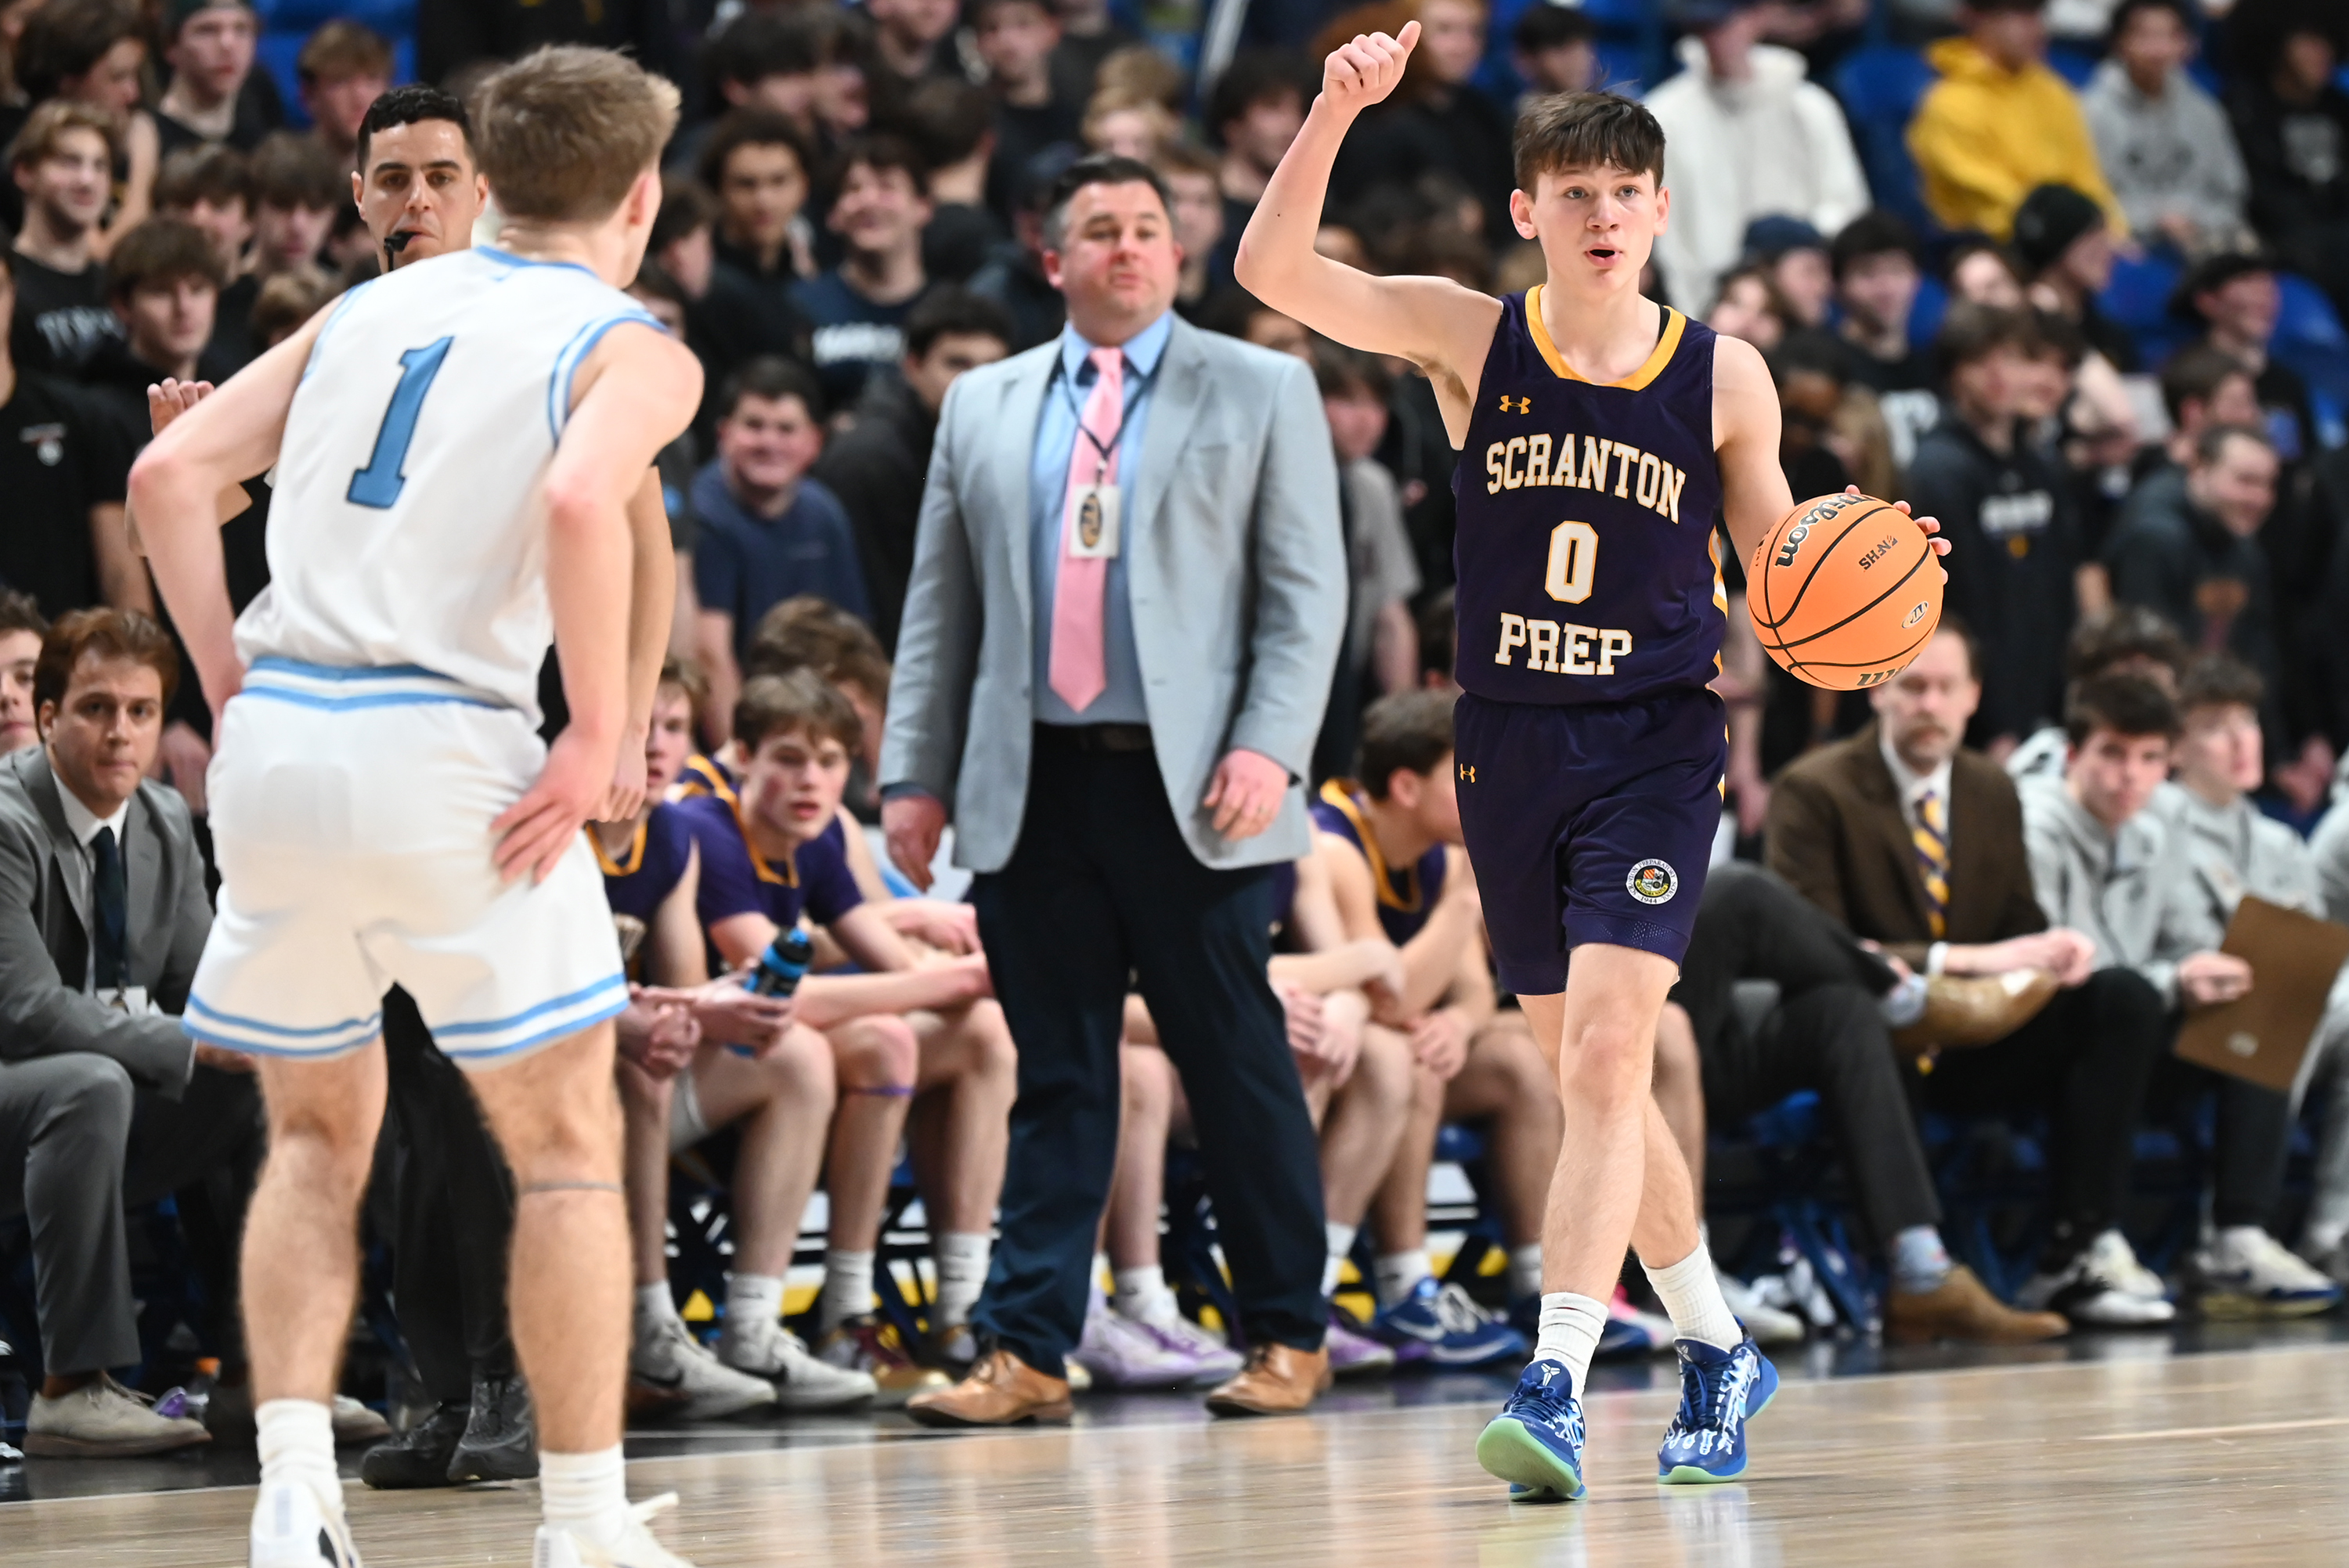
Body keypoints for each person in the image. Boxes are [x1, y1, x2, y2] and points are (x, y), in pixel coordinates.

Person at [1237, 34, 1943, 1497]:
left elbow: (1788, 587)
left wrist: (1875, 584)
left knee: (1616, 1054)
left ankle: (1553, 1377)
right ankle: (1718, 1344)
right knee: (1590, 1084)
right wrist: (1334, 112)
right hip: (1505, 737)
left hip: (1657, 740)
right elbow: (1273, 272)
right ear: (1527, 213)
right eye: (1574, 192)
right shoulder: (1465, 335)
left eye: (1628, 190)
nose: (1604, 214)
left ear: (1663, 211)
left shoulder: (1726, 375)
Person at [131, 44, 706, 1568]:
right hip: (447, 744)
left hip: (283, 738)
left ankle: (292, 1488)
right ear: (638, 194)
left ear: (491, 183)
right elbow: (592, 502)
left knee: (314, 1140)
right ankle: (583, 1520)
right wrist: (596, 730)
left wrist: (226, 685)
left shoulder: (360, 309)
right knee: (572, 1145)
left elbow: (172, 474)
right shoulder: (625, 336)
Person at [882, 151, 1346, 1426]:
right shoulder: (982, 402)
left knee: (1235, 1059)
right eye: (1101, 231)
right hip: (1031, 780)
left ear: (1176, 251)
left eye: (1149, 226)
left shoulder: (1261, 386)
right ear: (1054, 260)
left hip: (1202, 788)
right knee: (1061, 1071)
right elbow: (941, 608)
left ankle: (1290, 1332)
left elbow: (1307, 601)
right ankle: (1026, 1349)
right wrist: (912, 775)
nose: (1128, 248)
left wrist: (1270, 743)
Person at [1769, 625, 2174, 1328]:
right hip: (1870, 1039)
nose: (1930, 703)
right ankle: (1909, 1268)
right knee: (1856, 1013)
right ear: (1876, 690)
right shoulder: (1813, 787)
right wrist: (1960, 959)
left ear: (1973, 696)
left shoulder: (1991, 787)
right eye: (1912, 685)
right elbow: (1809, 943)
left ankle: (2076, 1248)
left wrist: (2056, 949)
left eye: (1945, 687)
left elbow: (2021, 922)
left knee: (2121, 997)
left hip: (1978, 1039)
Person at [684, 670, 1009, 1401]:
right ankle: (824, 1314)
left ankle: (963, 1303)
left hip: (780, 1070)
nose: (812, 780)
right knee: (885, 1035)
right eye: (790, 759)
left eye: (831, 762)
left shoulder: (821, 834)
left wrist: (969, 972)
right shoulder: (708, 828)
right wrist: (953, 977)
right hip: (695, 1068)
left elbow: (892, 958)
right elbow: (776, 992)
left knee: (984, 1031)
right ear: (742, 756)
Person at [0, 607, 272, 1458]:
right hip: (24, 1097)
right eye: (96, 708)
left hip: (97, 1111)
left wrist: (255, 1030)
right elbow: (26, 1008)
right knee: (93, 1079)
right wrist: (188, 1044)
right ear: (49, 717)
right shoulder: (7, 822)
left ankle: (256, 1373)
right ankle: (72, 1386)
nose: (122, 732)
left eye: (142, 711)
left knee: (260, 1076)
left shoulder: (162, 823)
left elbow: (203, 987)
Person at [2020, 670, 2338, 1317]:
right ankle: (2079, 1247)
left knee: (2255, 995)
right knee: (2128, 999)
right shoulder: (2037, 825)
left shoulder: (2152, 833)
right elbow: (2059, 964)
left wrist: (2192, 971)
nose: (2129, 776)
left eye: (2146, 759)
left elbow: (2171, 943)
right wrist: (2174, 977)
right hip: (2041, 1039)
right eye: (2112, 754)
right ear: (2075, 754)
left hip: (2132, 1033)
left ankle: (2240, 1234)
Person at [595, 661, 861, 1418]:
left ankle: (752, 1325)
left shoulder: (672, 832)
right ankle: (649, 1327)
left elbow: (684, 990)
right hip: (540, 1068)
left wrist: (702, 1013)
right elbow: (543, 988)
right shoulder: (564, 826)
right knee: (639, 1067)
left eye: (673, 727)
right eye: (638, 721)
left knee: (799, 1056)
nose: (653, 745)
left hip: (628, 1064)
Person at [1668, 863, 2072, 1344]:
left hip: (1692, 1020)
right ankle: (1907, 999)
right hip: (1592, 1026)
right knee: (1738, 893)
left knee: (1842, 1009)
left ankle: (1921, 1270)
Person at [1307, 693, 1553, 1365]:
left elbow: (1476, 989)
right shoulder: (1337, 844)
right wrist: (1463, 902)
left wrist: (1454, 1019)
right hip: (1324, 1050)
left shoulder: (1437, 850)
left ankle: (1545, 1289)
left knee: (1520, 1061)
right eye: (1465, 773)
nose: (1485, 788)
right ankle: (1395, 1285)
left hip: (1387, 1045)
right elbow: (1383, 997)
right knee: (1405, 1056)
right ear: (1408, 786)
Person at [2160, 654, 2346, 1311]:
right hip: (2176, 1019)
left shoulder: (2276, 839)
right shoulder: (2153, 824)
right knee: (2283, 999)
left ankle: (2334, 1228)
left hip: (2269, 1022)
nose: (2242, 741)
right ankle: (2232, 1232)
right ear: (2174, 747)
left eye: (2249, 722)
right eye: (2215, 726)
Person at [1906, 303, 2079, 755]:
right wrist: (1992, 720)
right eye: (1981, 361)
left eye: (2014, 359)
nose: (2000, 375)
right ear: (1954, 374)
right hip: (1980, 714)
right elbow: (1958, 602)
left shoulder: (2041, 464)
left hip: (2047, 696)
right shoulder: (1938, 469)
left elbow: (2062, 586)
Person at [813, 287, 1012, 652]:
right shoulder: (870, 461)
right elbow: (881, 610)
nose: (976, 384)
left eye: (992, 368)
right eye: (958, 365)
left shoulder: (987, 442)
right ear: (913, 367)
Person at [1641, 0, 1867, 319]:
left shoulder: (1808, 105)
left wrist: (1795, 251)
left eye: (1724, 24)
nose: (1715, 40)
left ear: (1756, 19)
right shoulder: (1663, 117)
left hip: (1807, 299)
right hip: (1711, 309)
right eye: (1703, 28)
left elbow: (1848, 206)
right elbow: (1668, 236)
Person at [690, 356, 868, 742]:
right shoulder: (702, 515)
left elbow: (855, 652)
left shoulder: (825, 513)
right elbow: (709, 656)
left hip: (813, 731)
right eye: (754, 426)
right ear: (723, 434)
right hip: (736, 735)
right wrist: (740, 763)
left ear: (814, 442)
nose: (769, 443)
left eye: (786, 429)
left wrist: (882, 779)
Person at [1907, 0, 2126, 241]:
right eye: (2020, 15)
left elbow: (2087, 179)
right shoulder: (1948, 106)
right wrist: (2078, 238)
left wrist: (2114, 231)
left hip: (2068, 244)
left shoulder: (2054, 92)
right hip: (1993, 249)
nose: (2037, 29)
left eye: (2038, 14)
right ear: (1977, 19)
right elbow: (1994, 205)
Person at [0, 250, 136, 622]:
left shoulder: (79, 417)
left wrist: (140, 672)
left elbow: (122, 576)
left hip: (66, 660)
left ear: (12, 294)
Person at [2102, 424, 2282, 700]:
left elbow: (2256, 651)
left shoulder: (2244, 546)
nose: (2260, 498)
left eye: (2269, 484)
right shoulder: (2154, 538)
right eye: (2245, 481)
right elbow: (2146, 660)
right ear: (2199, 468)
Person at [2080, 0, 2250, 257]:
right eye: (2144, 36)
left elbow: (2231, 191)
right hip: (2131, 242)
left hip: (2206, 237)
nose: (2158, 49)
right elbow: (2092, 197)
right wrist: (2155, 220)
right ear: (2119, 43)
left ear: (2188, 45)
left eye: (2170, 36)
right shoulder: (2091, 113)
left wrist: (2195, 218)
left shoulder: (2205, 111)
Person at [792, 135, 936, 410]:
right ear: (833, 216)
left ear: (923, 207)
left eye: (887, 187)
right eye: (853, 189)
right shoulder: (799, 307)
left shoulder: (951, 312)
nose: (869, 201)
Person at [2227, 15, 2349, 313]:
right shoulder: (2247, 109)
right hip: (2285, 238)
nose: (2322, 54)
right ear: (2278, 46)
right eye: (2309, 43)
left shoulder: (2339, 108)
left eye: (2327, 44)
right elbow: (2259, 195)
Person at [16, 0, 160, 246]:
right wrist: (144, 164)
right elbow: (101, 255)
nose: (133, 93)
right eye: (118, 77)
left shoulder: (122, 134)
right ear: (68, 79)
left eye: (134, 74)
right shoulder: (33, 152)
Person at [9, 99, 121, 377]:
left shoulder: (119, 284)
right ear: (25, 173)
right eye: (70, 162)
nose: (87, 180)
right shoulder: (7, 284)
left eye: (99, 166)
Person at [154, 0, 272, 160]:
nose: (227, 44)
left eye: (241, 29)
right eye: (207, 30)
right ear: (172, 47)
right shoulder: (151, 132)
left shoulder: (260, 94)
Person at [294, 20, 392, 176]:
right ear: (309, 94)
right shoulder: (287, 172)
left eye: (372, 79)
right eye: (342, 80)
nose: (360, 97)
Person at [1511, 4, 1600, 106]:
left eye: (1582, 48)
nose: (1577, 60)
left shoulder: (1607, 111)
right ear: (1527, 59)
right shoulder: (1510, 117)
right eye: (1563, 50)